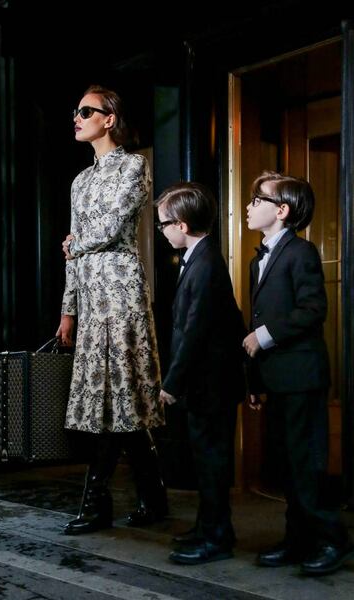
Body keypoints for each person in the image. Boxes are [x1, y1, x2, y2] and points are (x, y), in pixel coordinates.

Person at [56, 84, 167, 535]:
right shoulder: (79, 181)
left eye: (87, 110)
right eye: (76, 111)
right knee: (111, 403)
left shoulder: (133, 166)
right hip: (90, 296)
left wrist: (73, 245)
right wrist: (68, 310)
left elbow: (112, 223)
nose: (77, 118)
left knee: (122, 397)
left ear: (109, 118)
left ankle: (96, 503)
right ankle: (152, 497)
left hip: (121, 294)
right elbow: (75, 248)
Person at [243, 170, 354, 575]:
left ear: (282, 210)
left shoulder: (300, 253)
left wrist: (264, 336)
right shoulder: (262, 258)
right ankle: (298, 539)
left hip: (302, 378)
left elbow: (312, 311)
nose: (250, 206)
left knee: (305, 463)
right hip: (276, 380)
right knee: (287, 466)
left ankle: (333, 539)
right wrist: (255, 381)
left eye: (258, 200)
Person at [156, 182, 246, 565]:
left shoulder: (205, 262)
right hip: (208, 385)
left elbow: (195, 330)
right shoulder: (199, 257)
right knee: (206, 461)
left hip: (211, 386)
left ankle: (216, 538)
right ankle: (210, 528)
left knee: (212, 463)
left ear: (181, 224)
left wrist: (172, 383)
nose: (161, 231)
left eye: (163, 225)